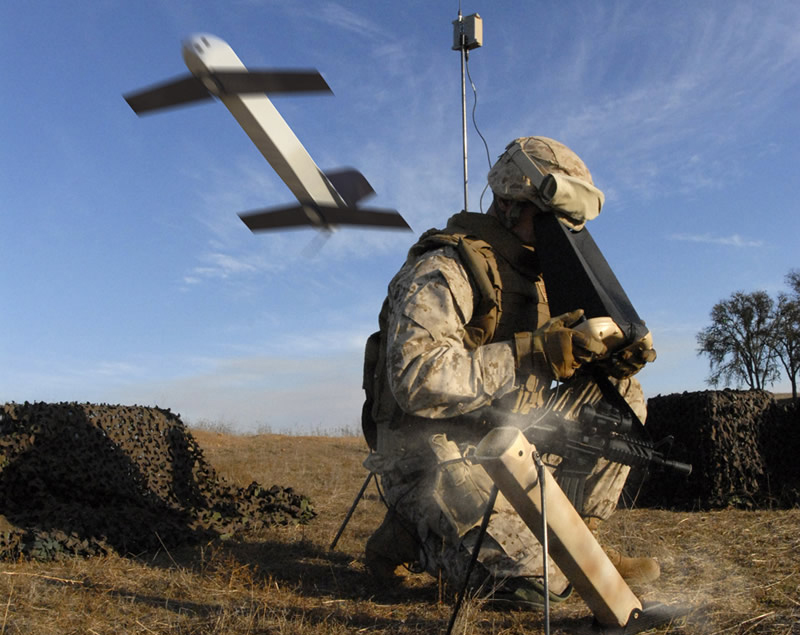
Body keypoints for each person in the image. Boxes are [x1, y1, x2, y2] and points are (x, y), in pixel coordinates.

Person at [362, 136, 659, 607]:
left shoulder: (534, 277)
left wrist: (606, 359)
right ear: (506, 204)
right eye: (553, 220)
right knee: (538, 587)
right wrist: (533, 353)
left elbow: (562, 368)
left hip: (510, 441)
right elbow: (416, 379)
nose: (563, 233)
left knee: (622, 393)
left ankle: (581, 542)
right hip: (433, 454)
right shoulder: (446, 268)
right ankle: (409, 530)